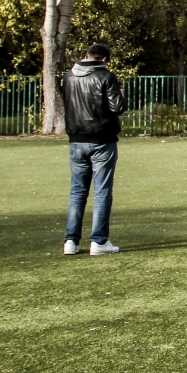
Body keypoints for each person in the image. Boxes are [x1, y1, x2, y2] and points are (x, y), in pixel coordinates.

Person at [63, 43, 126, 256]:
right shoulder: (106, 76)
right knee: (102, 191)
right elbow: (118, 107)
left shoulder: (69, 77)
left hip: (76, 139)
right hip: (102, 139)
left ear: (87, 55)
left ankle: (71, 241)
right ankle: (99, 241)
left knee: (78, 191)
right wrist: (121, 95)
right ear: (104, 59)